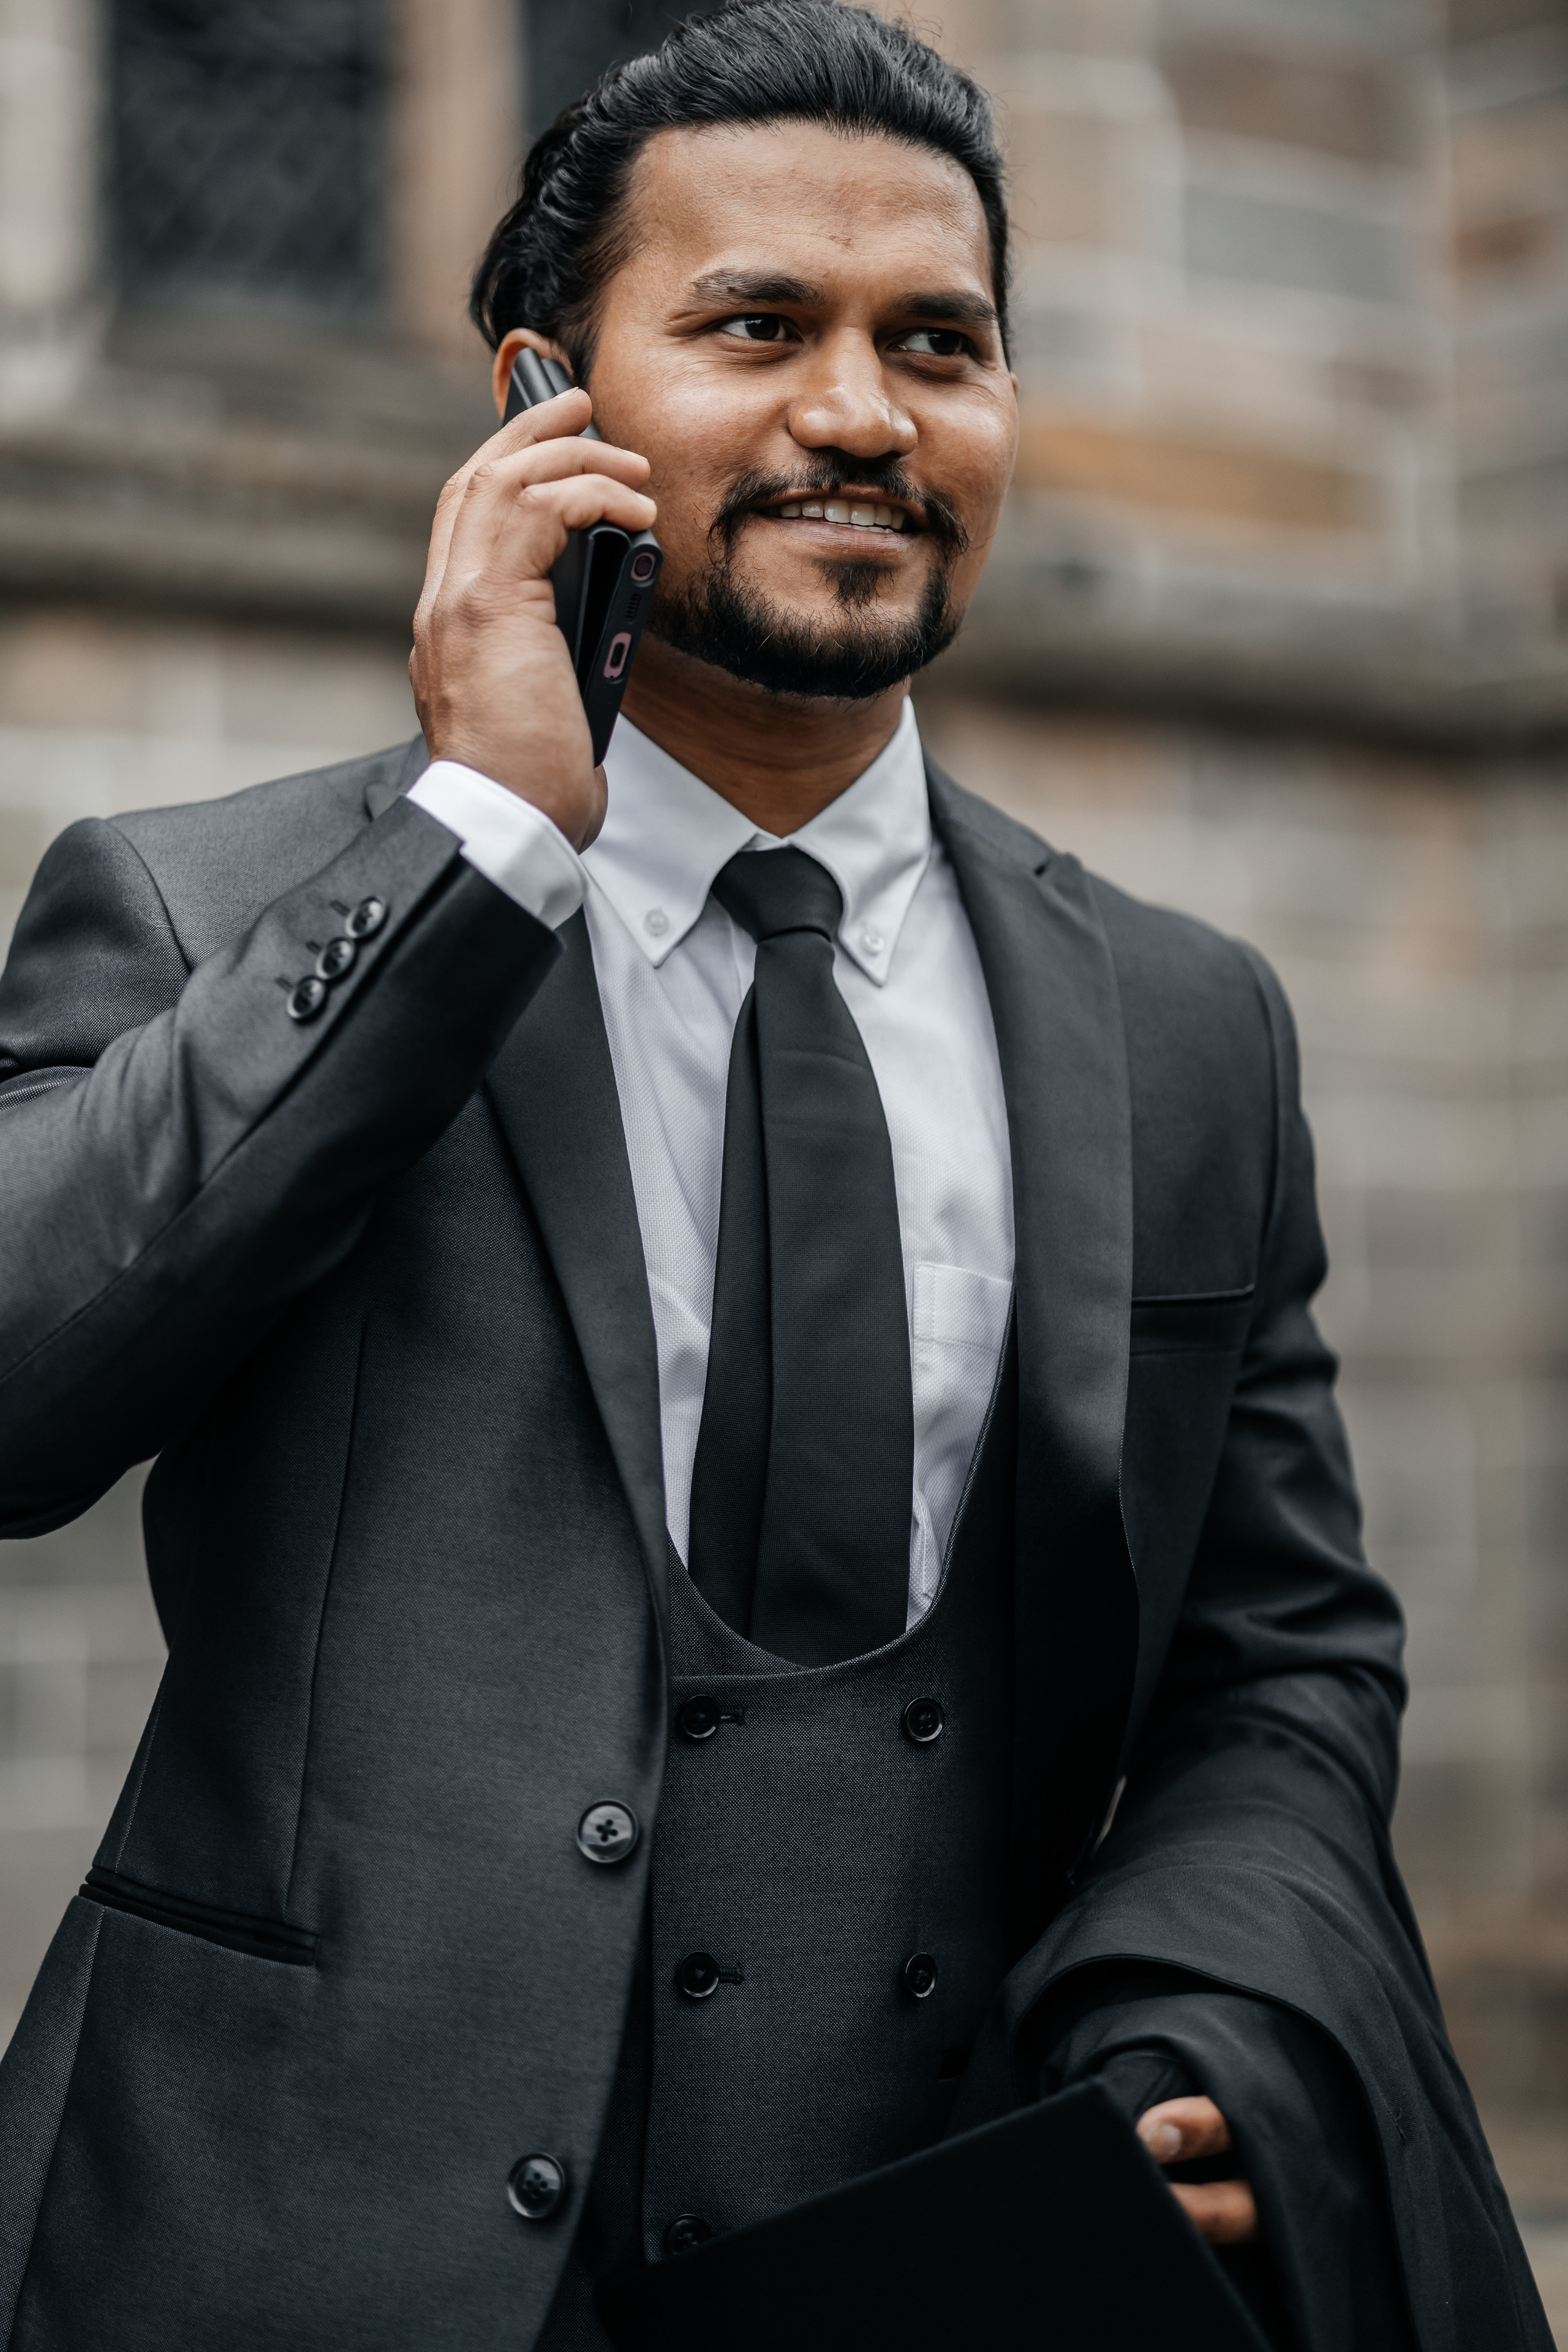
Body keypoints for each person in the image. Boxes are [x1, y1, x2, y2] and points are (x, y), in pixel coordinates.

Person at [0, 6, 1547, 2349]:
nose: (860, 413)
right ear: (545, 404)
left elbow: (1281, 1656)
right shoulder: (211, 911)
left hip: (954, 2271)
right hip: (284, 2250)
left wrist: (1205, 2013)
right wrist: (486, 845)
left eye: (941, 342)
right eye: (756, 328)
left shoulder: (1186, 1019)